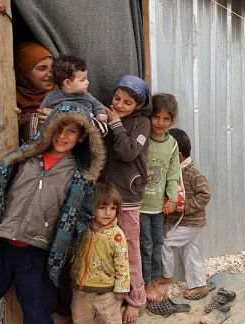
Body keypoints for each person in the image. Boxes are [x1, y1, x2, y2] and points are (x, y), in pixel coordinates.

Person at [0, 102, 106, 324]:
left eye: (71, 131)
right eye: (58, 128)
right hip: (1, 244)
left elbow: (84, 215)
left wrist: (67, 237)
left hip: (35, 251)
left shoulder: (80, 178)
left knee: (37, 313)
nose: (62, 136)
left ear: (82, 137)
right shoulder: (24, 158)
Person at [100, 75, 151, 323]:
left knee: (130, 248)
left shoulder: (142, 123)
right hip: (107, 195)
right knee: (107, 248)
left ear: (139, 105)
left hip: (128, 197)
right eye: (117, 98)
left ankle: (137, 299)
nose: (119, 104)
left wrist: (116, 124)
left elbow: (127, 151)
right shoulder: (108, 116)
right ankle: (115, 297)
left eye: (127, 102)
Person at [158, 128, 213, 300]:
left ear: (178, 155)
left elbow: (205, 194)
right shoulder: (173, 172)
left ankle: (165, 277)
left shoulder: (192, 173)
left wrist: (186, 206)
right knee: (190, 251)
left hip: (191, 222)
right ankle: (199, 284)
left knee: (165, 244)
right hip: (182, 223)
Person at [139, 93, 181, 302]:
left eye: (166, 119)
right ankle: (145, 282)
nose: (160, 123)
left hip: (158, 206)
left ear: (172, 120)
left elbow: (173, 174)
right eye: (156, 117)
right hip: (139, 205)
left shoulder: (172, 144)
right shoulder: (142, 138)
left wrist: (172, 198)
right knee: (144, 245)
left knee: (157, 243)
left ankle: (155, 278)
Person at [70, 182, 130, 324]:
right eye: (102, 208)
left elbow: (123, 262)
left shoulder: (116, 235)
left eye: (113, 208)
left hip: (107, 293)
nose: (108, 213)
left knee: (111, 320)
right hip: (81, 290)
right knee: (80, 319)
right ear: (91, 207)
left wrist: (122, 287)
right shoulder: (82, 230)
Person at [40, 55, 108, 122]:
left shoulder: (87, 96)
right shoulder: (51, 97)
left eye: (86, 78)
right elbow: (42, 112)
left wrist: (100, 113)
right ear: (67, 83)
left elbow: (97, 105)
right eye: (82, 80)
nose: (87, 82)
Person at [14, 41, 55, 144]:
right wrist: (14, 123)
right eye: (42, 68)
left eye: (53, 68)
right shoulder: (10, 99)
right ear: (24, 72)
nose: (51, 74)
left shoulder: (66, 94)